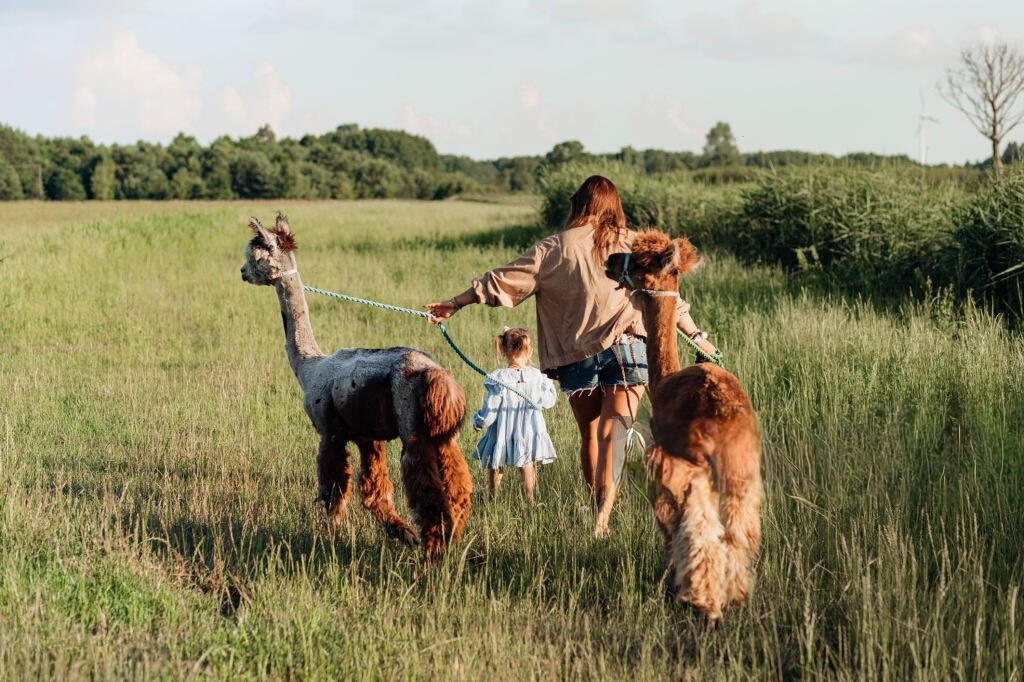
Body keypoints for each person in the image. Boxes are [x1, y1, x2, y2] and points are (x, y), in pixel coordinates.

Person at [425, 175, 717, 531]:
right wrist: (697, 335)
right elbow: (666, 296)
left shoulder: (553, 248)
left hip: (577, 356)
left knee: (591, 435)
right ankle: (603, 516)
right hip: (628, 349)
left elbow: (502, 280)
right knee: (617, 432)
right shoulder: (633, 245)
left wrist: (454, 304)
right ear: (616, 206)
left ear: (578, 205)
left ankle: (599, 510)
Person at [470, 327, 558, 502]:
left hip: (503, 430)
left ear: (503, 350)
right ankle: (530, 499)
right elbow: (549, 401)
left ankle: (493, 496)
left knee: (496, 463)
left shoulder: (499, 378)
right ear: (529, 349)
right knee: (527, 464)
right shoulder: (537, 376)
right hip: (528, 431)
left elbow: (491, 410)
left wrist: (479, 422)